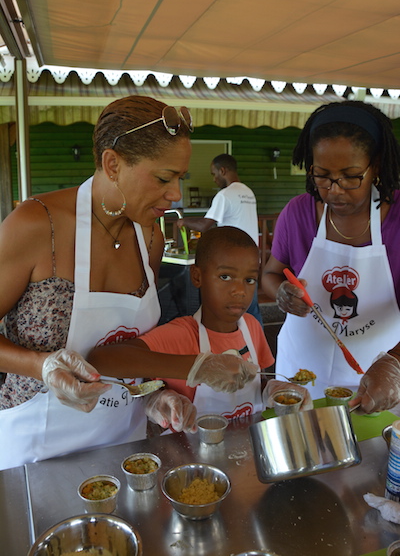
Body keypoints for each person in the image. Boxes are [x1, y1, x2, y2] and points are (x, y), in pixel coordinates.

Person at [0, 95, 257, 470]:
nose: (176, 194)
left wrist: (155, 395)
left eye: (180, 178)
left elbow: (129, 350)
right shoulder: (38, 226)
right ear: (113, 164)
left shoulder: (149, 236)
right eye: (163, 178)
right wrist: (41, 366)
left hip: (126, 447)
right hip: (38, 450)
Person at [88, 226, 312, 430]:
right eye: (225, 277)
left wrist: (272, 390)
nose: (239, 291)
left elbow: (256, 383)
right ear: (197, 276)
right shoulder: (179, 334)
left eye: (249, 280)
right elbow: (102, 360)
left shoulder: (252, 327)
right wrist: (172, 387)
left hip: (248, 453)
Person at [261, 100, 400, 409]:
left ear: (375, 164)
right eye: (321, 175)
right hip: (298, 376)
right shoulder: (298, 213)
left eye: (350, 176)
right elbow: (271, 274)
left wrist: (395, 365)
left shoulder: (398, 219)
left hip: (377, 379)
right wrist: (281, 293)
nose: (334, 190)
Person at [177, 153, 263, 326]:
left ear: (222, 170)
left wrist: (183, 221)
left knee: (227, 308)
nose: (214, 179)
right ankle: (257, 347)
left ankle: (229, 346)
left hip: (232, 262)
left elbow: (204, 225)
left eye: (214, 174)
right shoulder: (247, 192)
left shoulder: (225, 195)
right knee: (251, 308)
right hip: (251, 258)